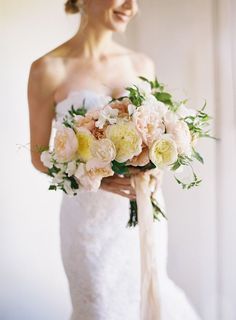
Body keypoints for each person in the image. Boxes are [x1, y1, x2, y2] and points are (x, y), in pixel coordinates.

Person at [27, 1, 201, 319]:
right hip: (88, 226)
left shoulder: (141, 64)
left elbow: (155, 134)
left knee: (153, 294)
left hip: (143, 214)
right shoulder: (47, 69)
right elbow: (40, 157)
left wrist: (156, 165)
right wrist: (94, 176)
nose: (131, 7)